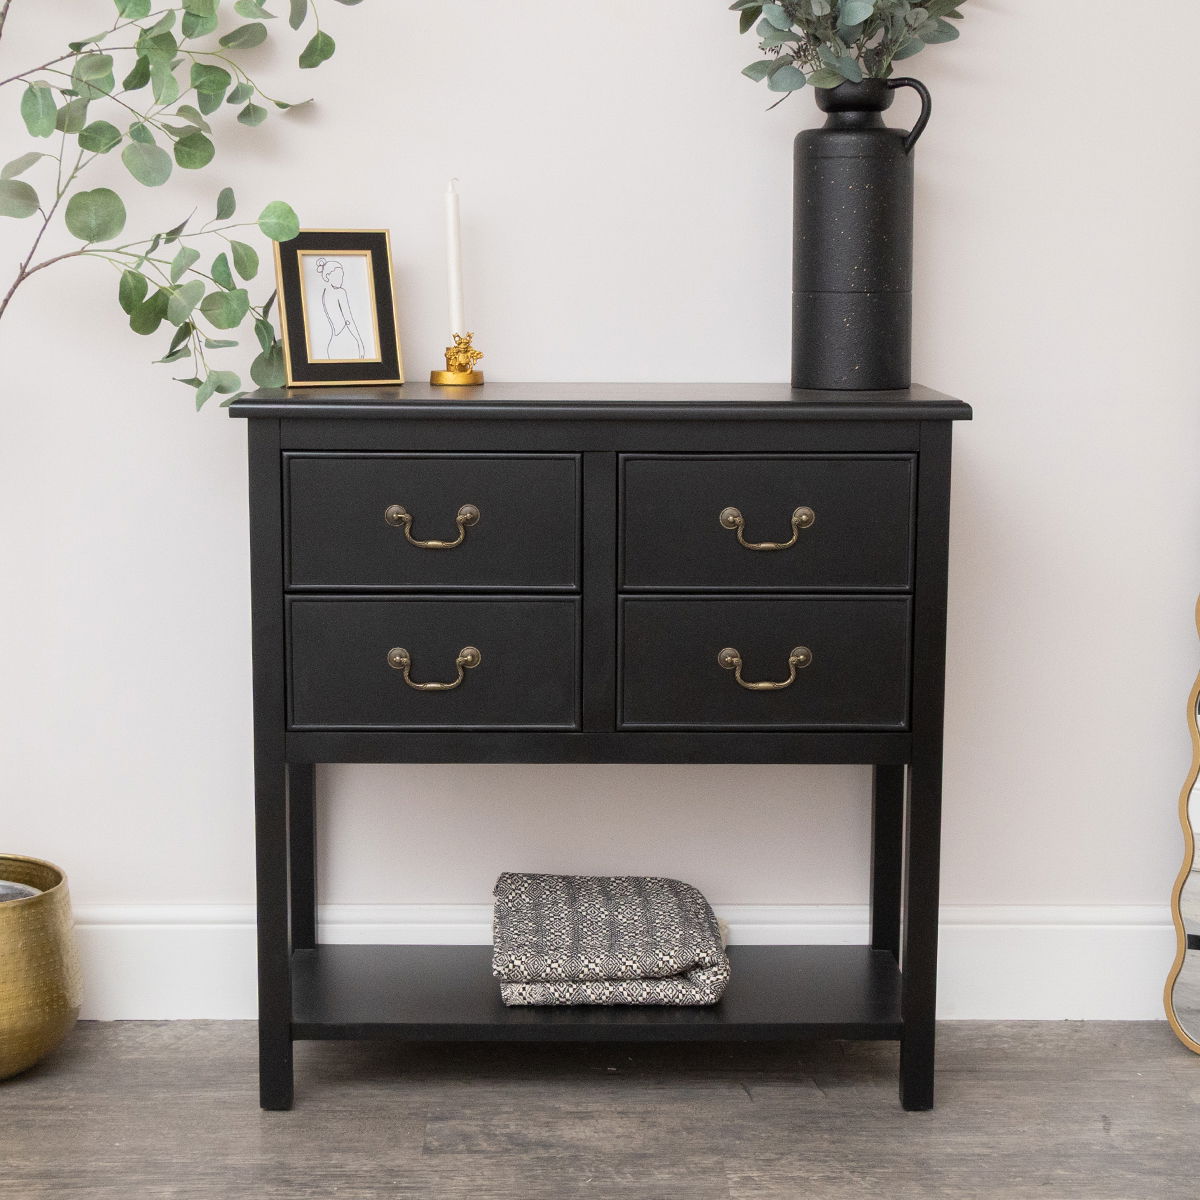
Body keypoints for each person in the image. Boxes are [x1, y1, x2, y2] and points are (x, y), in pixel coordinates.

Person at [314, 256, 366, 359]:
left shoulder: (325, 293)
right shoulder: (340, 292)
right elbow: (348, 319)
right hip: (346, 340)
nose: (341, 279)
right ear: (328, 276)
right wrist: (360, 342)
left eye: (341, 276)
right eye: (337, 275)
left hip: (333, 342)